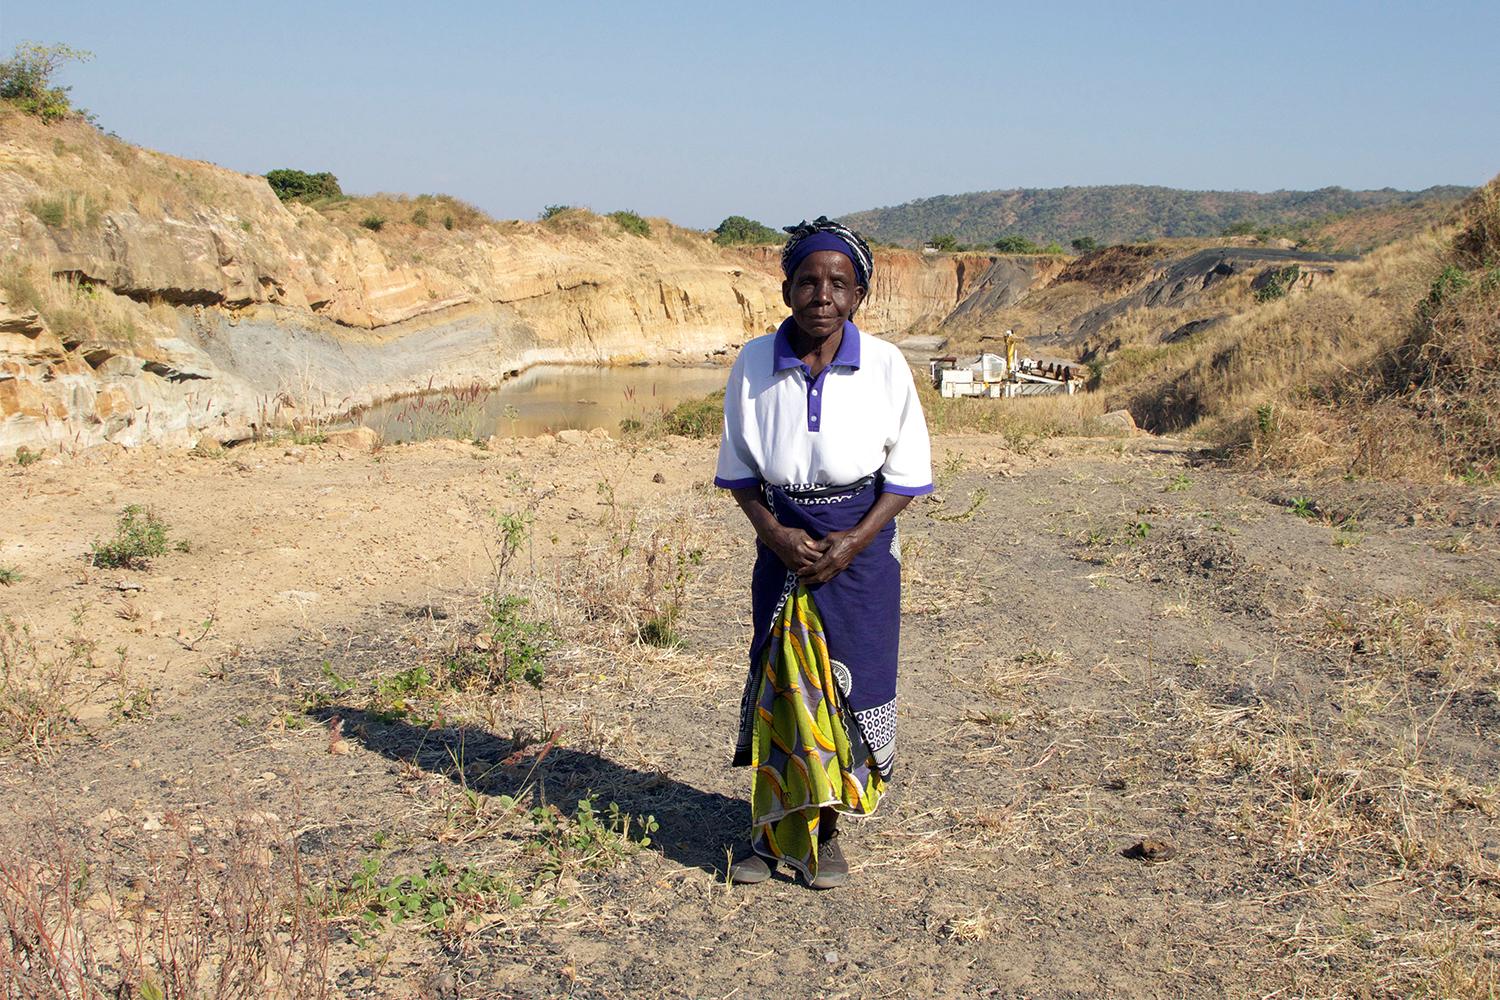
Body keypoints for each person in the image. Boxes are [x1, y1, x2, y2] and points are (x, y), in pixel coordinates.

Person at [713, 217, 932, 889]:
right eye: (808, 282)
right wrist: (775, 536)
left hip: (860, 553)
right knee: (783, 688)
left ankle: (825, 831)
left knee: (844, 694)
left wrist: (854, 542)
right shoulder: (753, 363)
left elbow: (907, 474)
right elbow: (740, 473)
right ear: (786, 290)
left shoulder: (885, 366)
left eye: (839, 283)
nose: (823, 296)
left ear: (859, 294)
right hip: (783, 546)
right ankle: (769, 830)